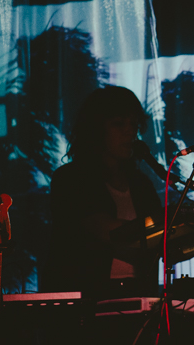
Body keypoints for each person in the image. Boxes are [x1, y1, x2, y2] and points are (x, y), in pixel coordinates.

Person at [47, 86, 163, 299]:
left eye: (133, 124)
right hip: (88, 300)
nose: (130, 131)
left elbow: (162, 233)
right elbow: (105, 230)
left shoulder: (140, 184)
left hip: (140, 294)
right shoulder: (70, 179)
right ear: (96, 129)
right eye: (119, 124)